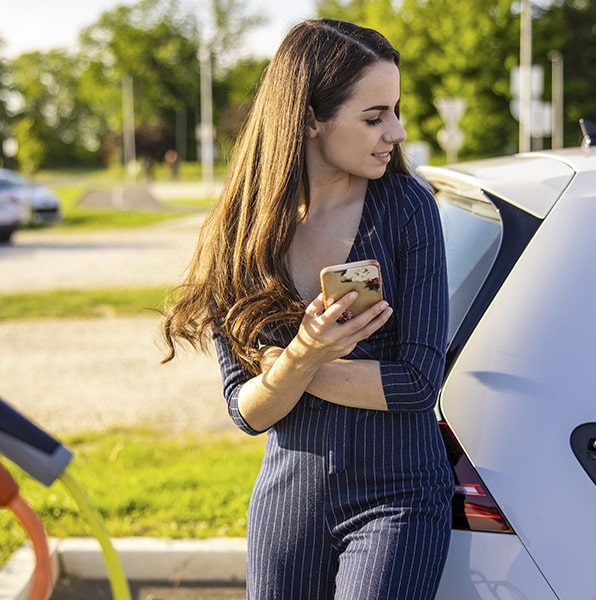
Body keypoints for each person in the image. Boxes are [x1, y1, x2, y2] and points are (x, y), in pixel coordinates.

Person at [160, 18, 452, 599]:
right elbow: (249, 411)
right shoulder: (240, 235)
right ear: (310, 118)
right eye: (374, 117)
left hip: (398, 500)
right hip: (288, 506)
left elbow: (418, 383)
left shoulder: (407, 208)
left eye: (395, 110)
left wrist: (294, 367)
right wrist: (304, 352)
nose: (395, 131)